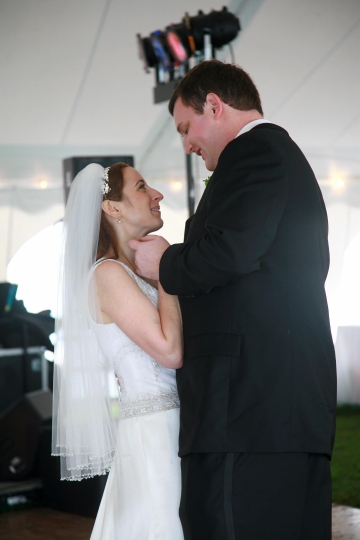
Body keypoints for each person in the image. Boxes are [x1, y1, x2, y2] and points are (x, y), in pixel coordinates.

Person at [130, 60, 337, 540]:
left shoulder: (256, 153)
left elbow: (228, 252)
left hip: (249, 410)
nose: (187, 144)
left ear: (215, 106)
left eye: (186, 127)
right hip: (274, 410)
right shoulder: (273, 155)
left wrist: (165, 262)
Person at [52, 162, 184, 540]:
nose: (156, 194)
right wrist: (166, 274)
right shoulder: (107, 275)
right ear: (113, 208)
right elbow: (170, 351)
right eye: (142, 187)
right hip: (153, 433)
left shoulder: (133, 273)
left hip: (175, 427)